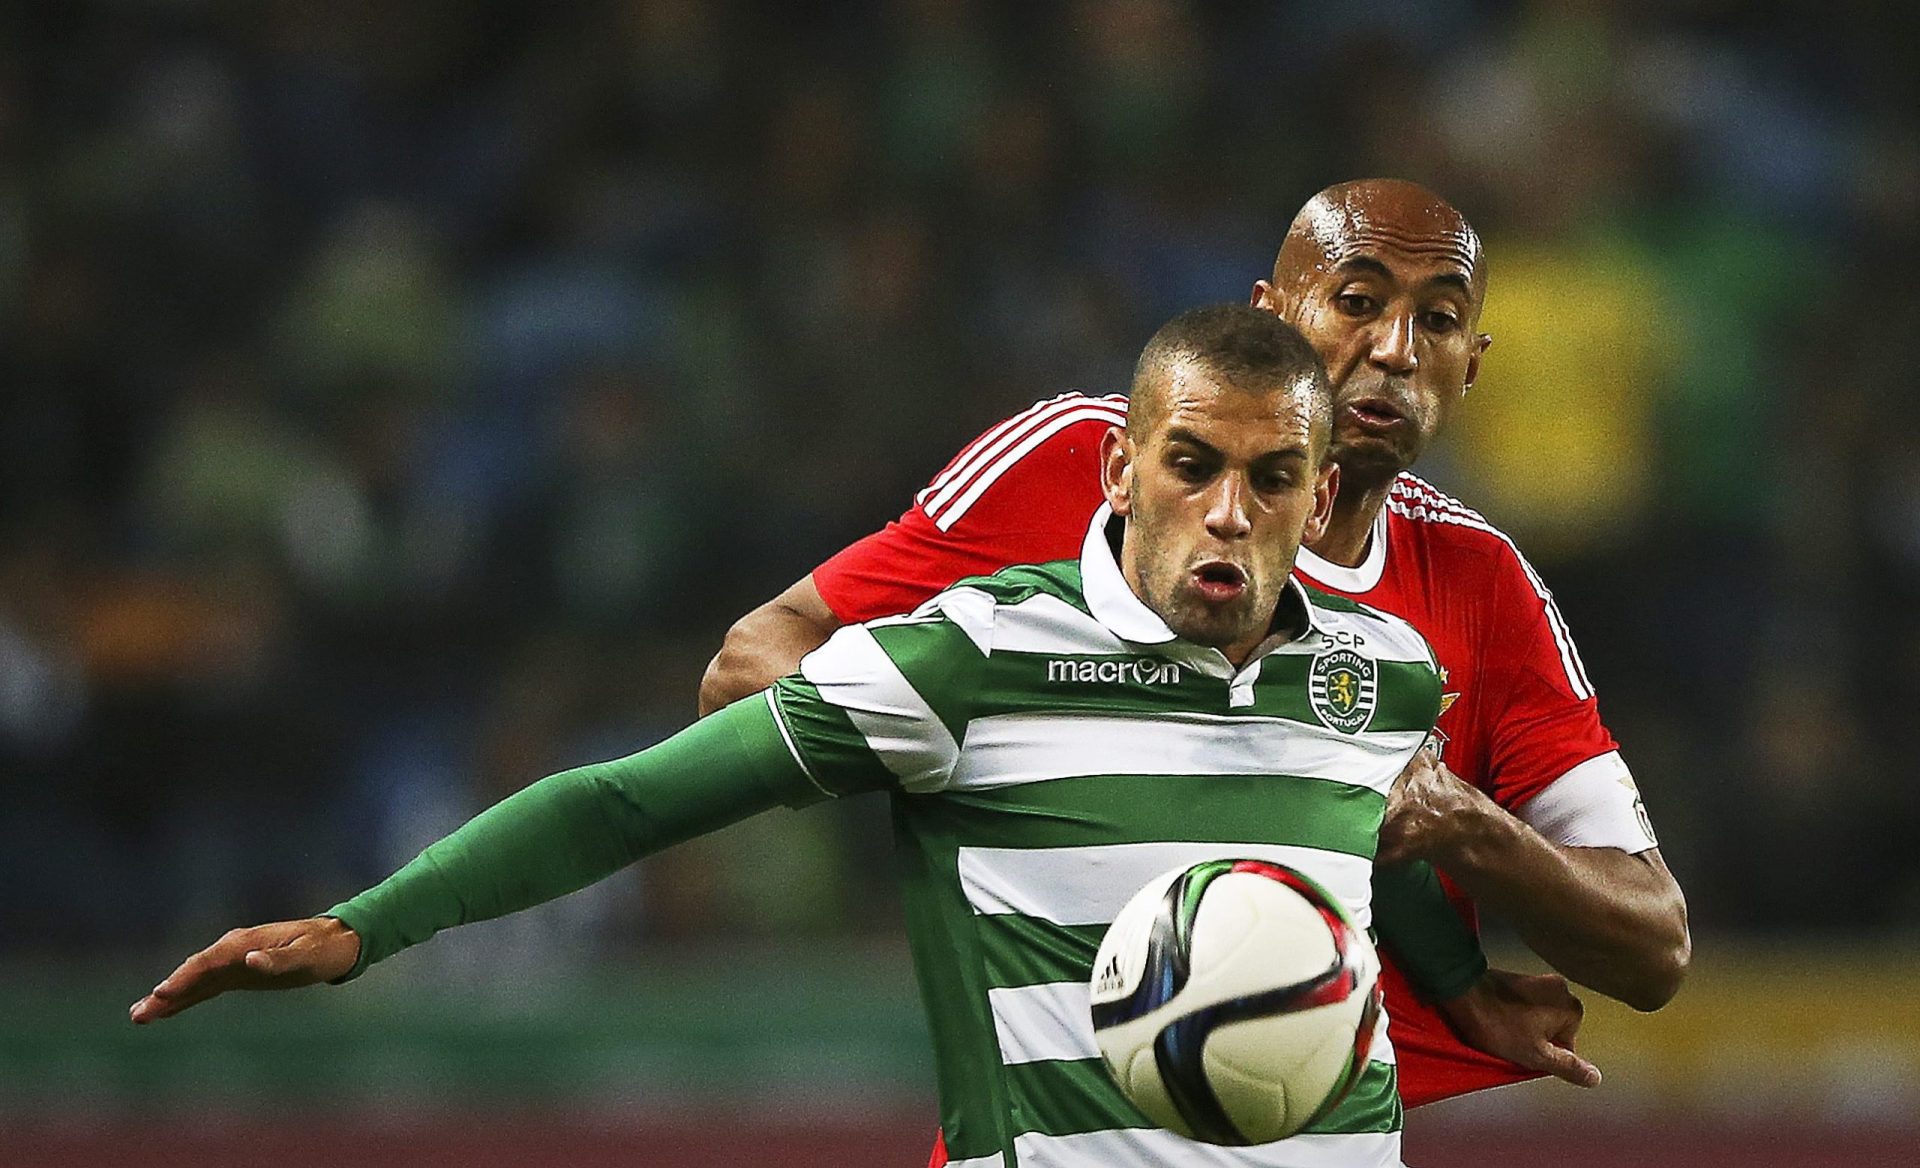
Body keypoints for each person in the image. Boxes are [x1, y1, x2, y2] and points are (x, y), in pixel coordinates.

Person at [131, 308, 1586, 1167]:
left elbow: (1361, 852)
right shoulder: (974, 657)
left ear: (1321, 488)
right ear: (1118, 466)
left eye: (1273, 480)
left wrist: (1462, 986)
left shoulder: (1384, 674)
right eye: (1190, 466)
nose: (1226, 511)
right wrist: (365, 926)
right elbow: (631, 804)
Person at [699, 179, 1691, 1110]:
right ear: (1272, 318)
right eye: (1357, 300)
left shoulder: (1483, 587)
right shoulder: (1087, 466)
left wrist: (1467, 827)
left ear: (1470, 364)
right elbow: (753, 664)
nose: (1394, 348)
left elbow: (1654, 946)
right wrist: (992, 767)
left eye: (1435, 320)